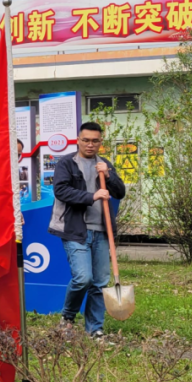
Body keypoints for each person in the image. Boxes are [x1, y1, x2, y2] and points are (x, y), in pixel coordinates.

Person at [48, 122, 126, 339]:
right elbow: (61, 191)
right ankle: (68, 317)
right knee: (83, 278)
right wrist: (92, 196)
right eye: (86, 140)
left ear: (100, 142)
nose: (90, 144)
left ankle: (95, 328)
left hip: (101, 230)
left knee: (99, 282)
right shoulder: (67, 163)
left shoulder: (104, 164)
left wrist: (109, 176)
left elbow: (120, 192)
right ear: (78, 140)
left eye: (95, 141)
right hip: (75, 229)